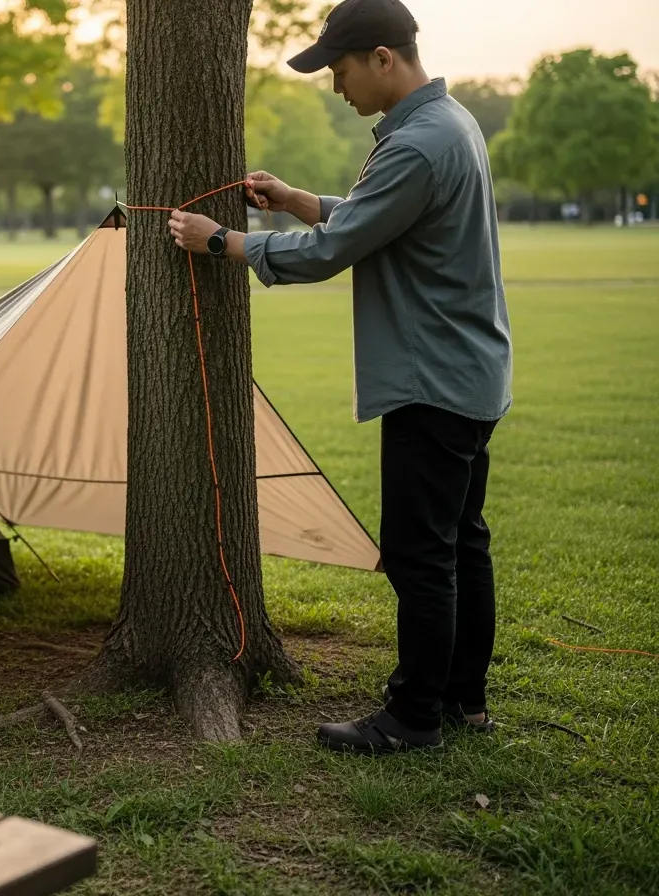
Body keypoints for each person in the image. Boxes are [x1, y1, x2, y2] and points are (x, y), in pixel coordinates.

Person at [168, 0, 514, 755]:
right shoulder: (449, 125)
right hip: (470, 373)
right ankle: (462, 701)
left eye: (340, 68)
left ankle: (414, 717)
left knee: (421, 552)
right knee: (460, 544)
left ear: (383, 58)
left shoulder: (418, 144)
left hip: (433, 379)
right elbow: (381, 217)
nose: (336, 87)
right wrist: (298, 200)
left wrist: (223, 240)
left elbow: (336, 250)